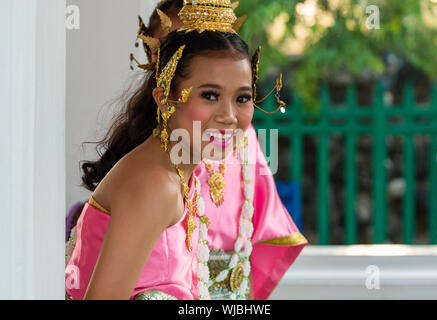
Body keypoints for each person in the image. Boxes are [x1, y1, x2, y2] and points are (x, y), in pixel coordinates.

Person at [65, 0, 307, 301]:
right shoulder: (156, 184)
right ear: (165, 100)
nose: (229, 115)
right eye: (210, 95)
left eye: (242, 98)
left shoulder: (177, 173)